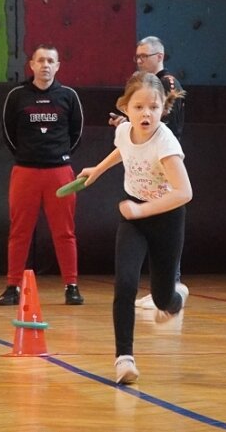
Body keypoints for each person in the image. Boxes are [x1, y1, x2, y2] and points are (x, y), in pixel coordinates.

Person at [78, 71, 192, 384]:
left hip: (166, 220)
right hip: (134, 219)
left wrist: (143, 209)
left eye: (154, 107)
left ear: (163, 109)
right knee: (125, 284)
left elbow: (184, 192)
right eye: (139, 107)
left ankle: (175, 299)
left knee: (161, 299)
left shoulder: (165, 142)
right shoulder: (124, 131)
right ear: (126, 107)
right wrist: (98, 170)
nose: (146, 113)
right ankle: (124, 359)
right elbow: (124, 149)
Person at [0, 44, 85, 306]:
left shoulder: (69, 96)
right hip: (25, 172)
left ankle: (71, 286)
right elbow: (8, 132)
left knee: (65, 232)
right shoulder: (17, 96)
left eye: (51, 61)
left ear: (57, 66)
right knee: (19, 232)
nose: (46, 65)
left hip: (60, 173)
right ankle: (12, 287)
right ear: (32, 65)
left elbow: (77, 133)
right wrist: (27, 155)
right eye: (41, 60)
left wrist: (58, 155)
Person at [110, 36, 187, 311]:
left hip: (164, 168)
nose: (140, 61)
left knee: (169, 225)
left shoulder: (167, 84)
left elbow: (166, 127)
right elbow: (129, 145)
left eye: (145, 56)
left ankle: (170, 288)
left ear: (160, 55)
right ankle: (164, 292)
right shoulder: (142, 93)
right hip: (145, 172)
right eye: (137, 57)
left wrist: (149, 129)